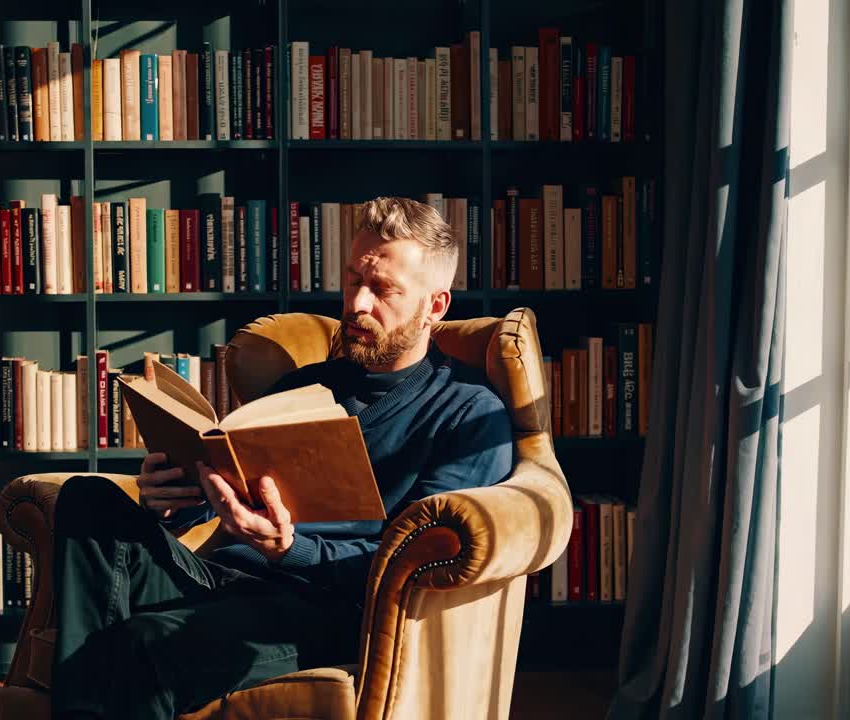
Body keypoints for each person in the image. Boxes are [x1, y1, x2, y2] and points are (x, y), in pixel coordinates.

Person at [51, 197, 515, 719]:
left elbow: (418, 568)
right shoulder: (305, 387)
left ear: (435, 306)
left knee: (142, 644)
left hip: (327, 610)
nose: (357, 303)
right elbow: (228, 509)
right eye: (352, 279)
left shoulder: (469, 415)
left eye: (383, 290)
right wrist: (173, 500)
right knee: (87, 499)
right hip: (226, 577)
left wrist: (288, 549)